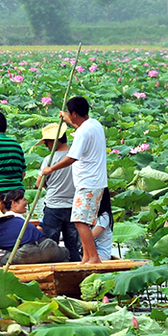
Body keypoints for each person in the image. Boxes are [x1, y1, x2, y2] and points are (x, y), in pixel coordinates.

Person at [40, 96, 108, 264]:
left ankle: (93, 258)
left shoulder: (82, 132)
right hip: (95, 181)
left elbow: (72, 157)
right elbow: (80, 126)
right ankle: (86, 257)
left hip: (88, 182)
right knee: (81, 220)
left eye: (70, 115)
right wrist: (67, 119)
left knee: (79, 220)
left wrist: (51, 168)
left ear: (74, 113)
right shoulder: (94, 124)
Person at [35, 123, 81, 262]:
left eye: (47, 142)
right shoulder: (76, 157)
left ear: (54, 141)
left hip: (53, 207)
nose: (46, 146)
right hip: (73, 207)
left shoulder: (48, 160)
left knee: (50, 245)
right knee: (73, 246)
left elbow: (38, 184)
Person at [92, 189, 114, 261]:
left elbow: (90, 236)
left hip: (101, 255)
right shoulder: (94, 215)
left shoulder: (105, 217)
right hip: (91, 253)